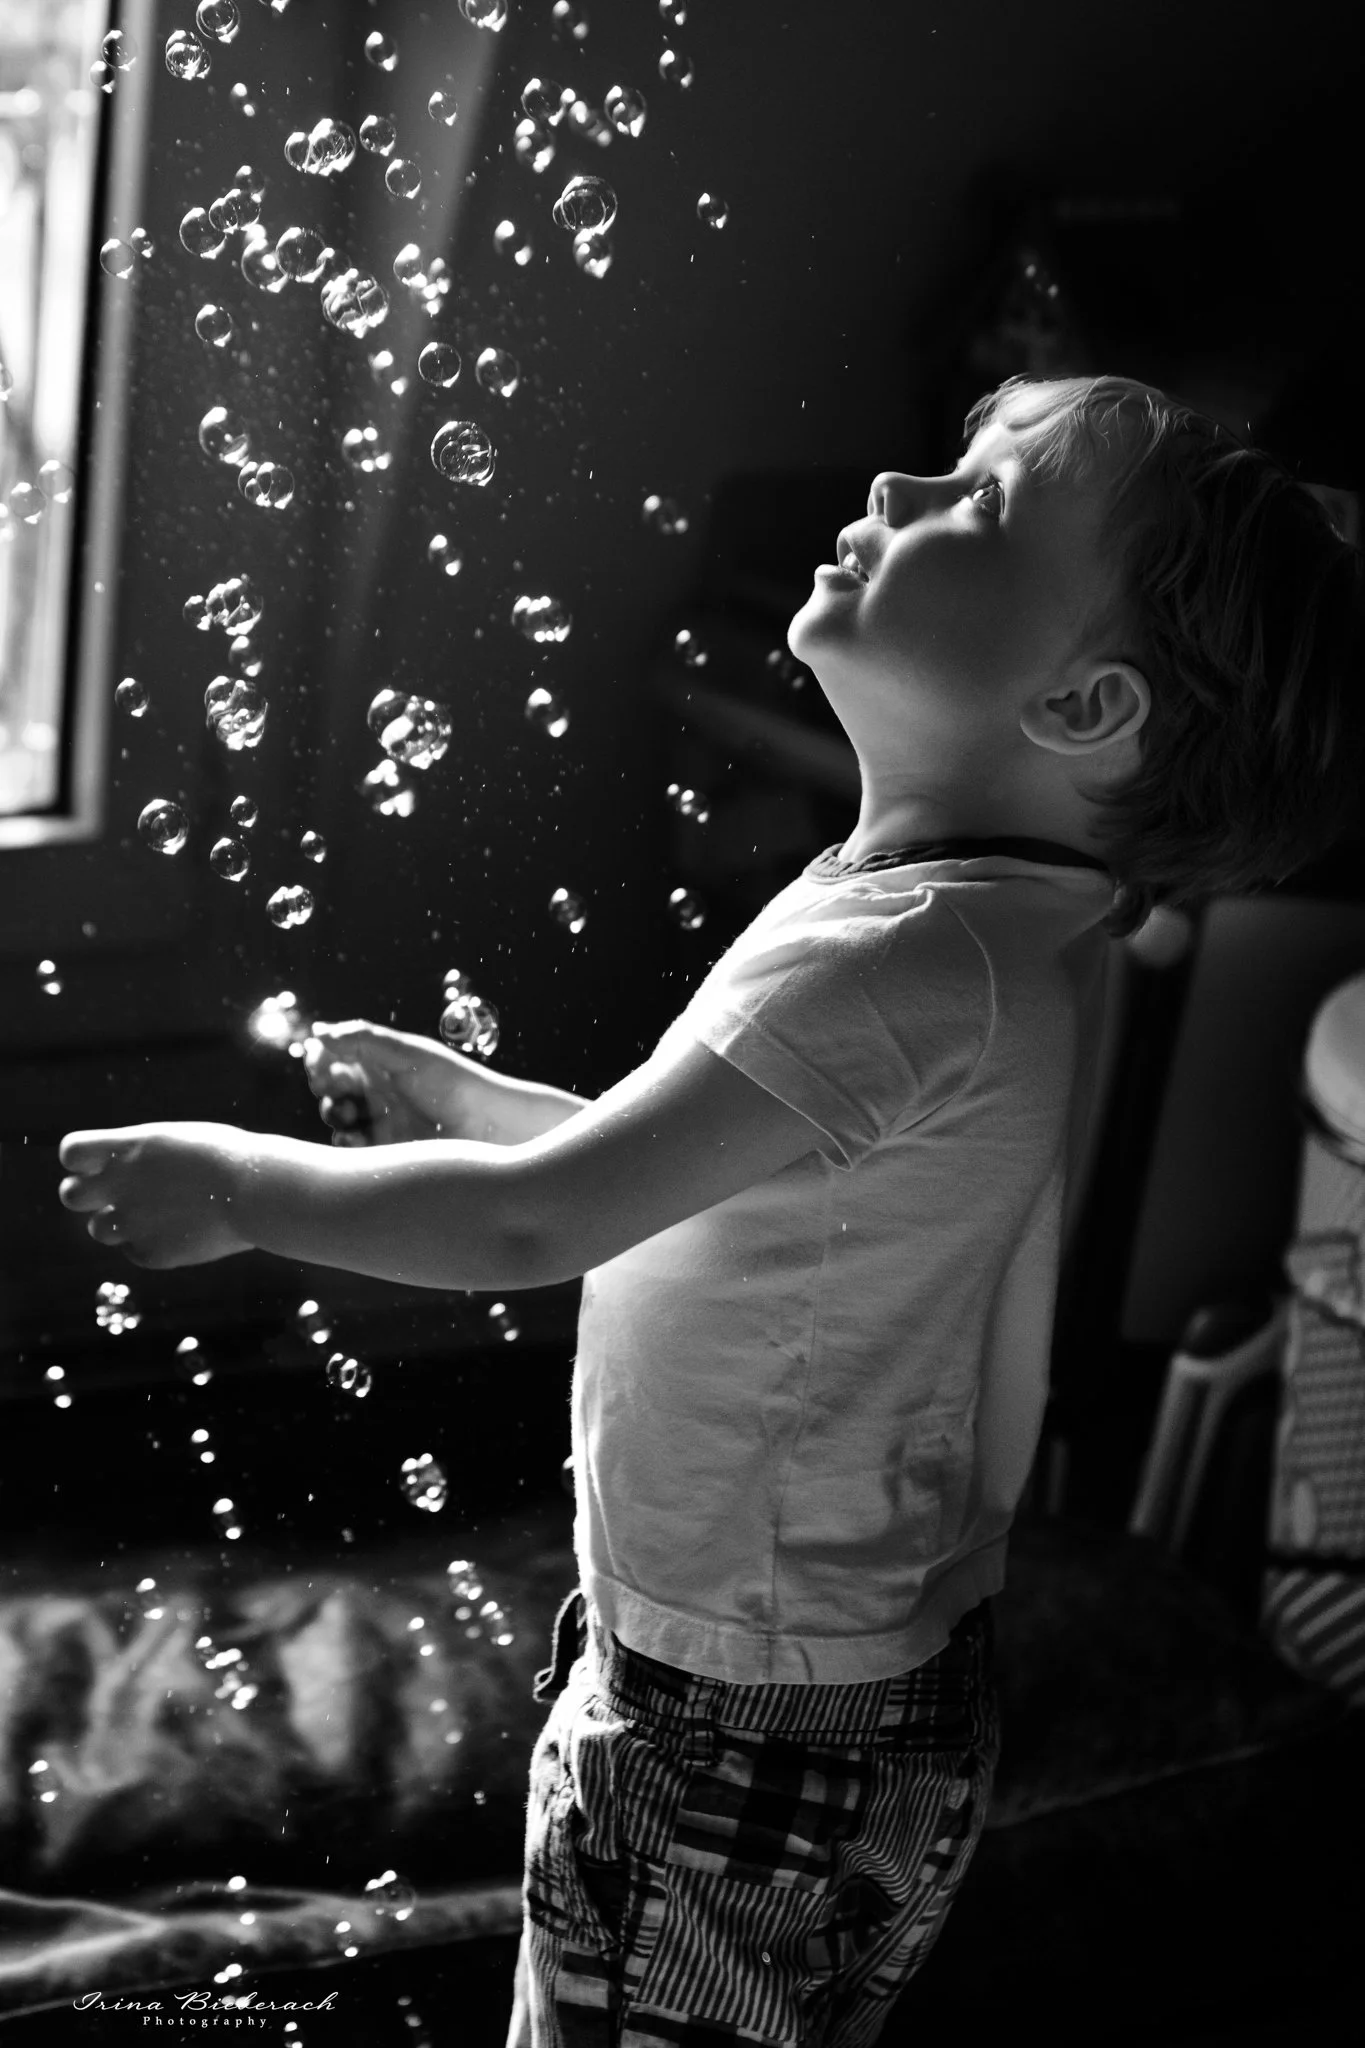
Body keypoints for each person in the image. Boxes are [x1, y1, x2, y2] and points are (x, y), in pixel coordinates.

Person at [58, 374, 1365, 2046]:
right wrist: (475, 1108)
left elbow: (539, 1225)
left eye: (979, 499)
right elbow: (727, 1195)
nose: (897, 480)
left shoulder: (893, 961)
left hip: (740, 1726)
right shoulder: (994, 927)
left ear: (1085, 707)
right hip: (831, 1684)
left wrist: (238, 1188)